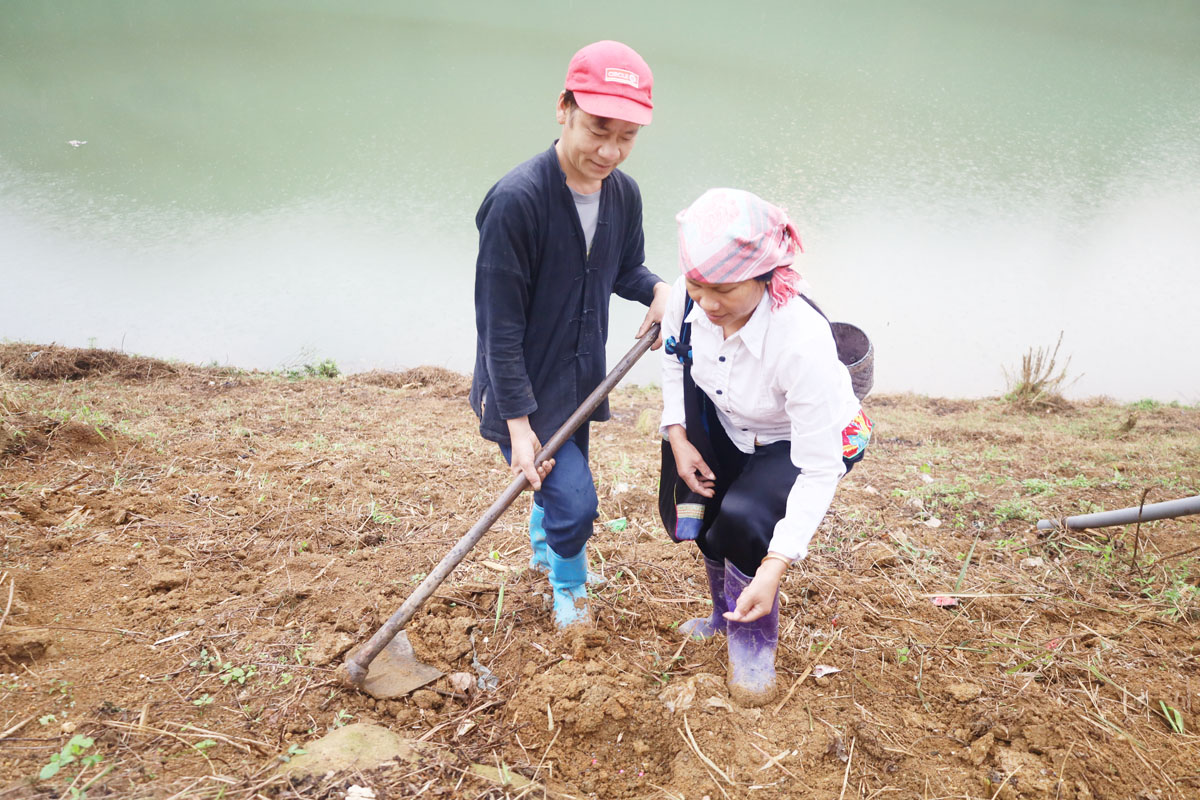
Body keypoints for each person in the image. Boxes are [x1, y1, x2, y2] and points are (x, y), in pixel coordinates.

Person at [469, 41, 671, 630]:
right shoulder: (517, 202)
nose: (609, 151)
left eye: (627, 136)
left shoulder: (623, 194)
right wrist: (519, 425)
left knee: (563, 497)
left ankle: (545, 545)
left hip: (581, 380)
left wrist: (656, 289)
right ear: (564, 108)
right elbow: (498, 329)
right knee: (577, 506)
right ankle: (569, 585)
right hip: (523, 392)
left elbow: (623, 268)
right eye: (597, 130)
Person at [658, 188, 872, 706]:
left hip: (800, 440)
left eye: (724, 290)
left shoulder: (800, 342)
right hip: (729, 420)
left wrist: (774, 568)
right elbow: (671, 361)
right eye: (696, 285)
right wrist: (679, 439)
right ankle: (720, 612)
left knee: (748, 516)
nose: (707, 303)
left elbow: (819, 469)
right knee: (702, 507)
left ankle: (752, 642)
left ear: (765, 276)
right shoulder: (688, 299)